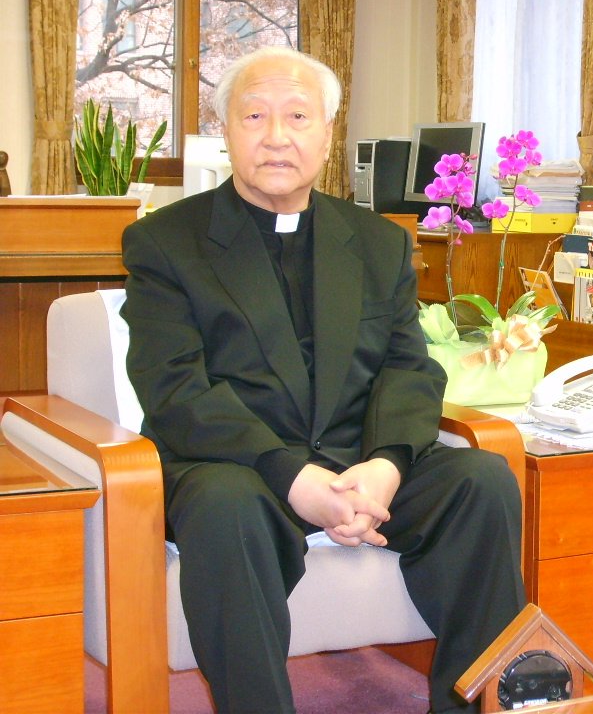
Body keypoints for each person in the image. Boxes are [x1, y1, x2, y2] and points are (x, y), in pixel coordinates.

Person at [120, 46, 526, 713]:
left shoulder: (377, 241)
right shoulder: (166, 241)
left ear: (328, 133)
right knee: (225, 508)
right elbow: (174, 391)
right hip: (237, 464)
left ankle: (472, 705)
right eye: (255, 116)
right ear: (226, 130)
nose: (277, 136)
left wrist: (388, 465)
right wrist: (294, 478)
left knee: (481, 482)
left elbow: (408, 367)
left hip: (356, 457)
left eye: (298, 116)